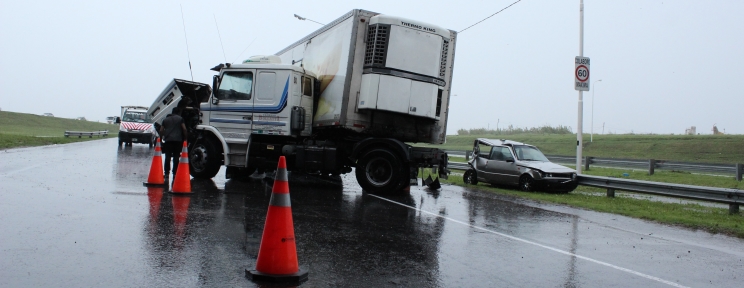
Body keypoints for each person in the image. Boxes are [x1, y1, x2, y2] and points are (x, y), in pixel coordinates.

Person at [159, 107, 188, 179]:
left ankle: (166, 173)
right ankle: (175, 173)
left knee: (167, 157)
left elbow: (161, 130)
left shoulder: (165, 120)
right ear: (178, 112)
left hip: (168, 141)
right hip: (178, 141)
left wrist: (161, 138)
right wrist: (185, 138)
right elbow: (184, 129)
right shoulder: (180, 119)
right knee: (176, 157)